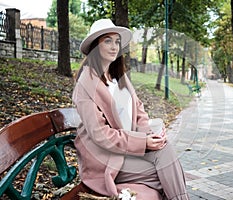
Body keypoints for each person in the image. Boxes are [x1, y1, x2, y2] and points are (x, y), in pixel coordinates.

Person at [72, 18, 189, 200]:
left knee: (166, 151)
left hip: (127, 150)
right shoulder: (86, 84)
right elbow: (100, 134)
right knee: (164, 174)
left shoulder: (119, 78)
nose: (114, 47)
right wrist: (143, 142)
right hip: (105, 159)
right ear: (95, 46)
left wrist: (150, 136)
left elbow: (139, 110)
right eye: (107, 41)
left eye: (117, 42)